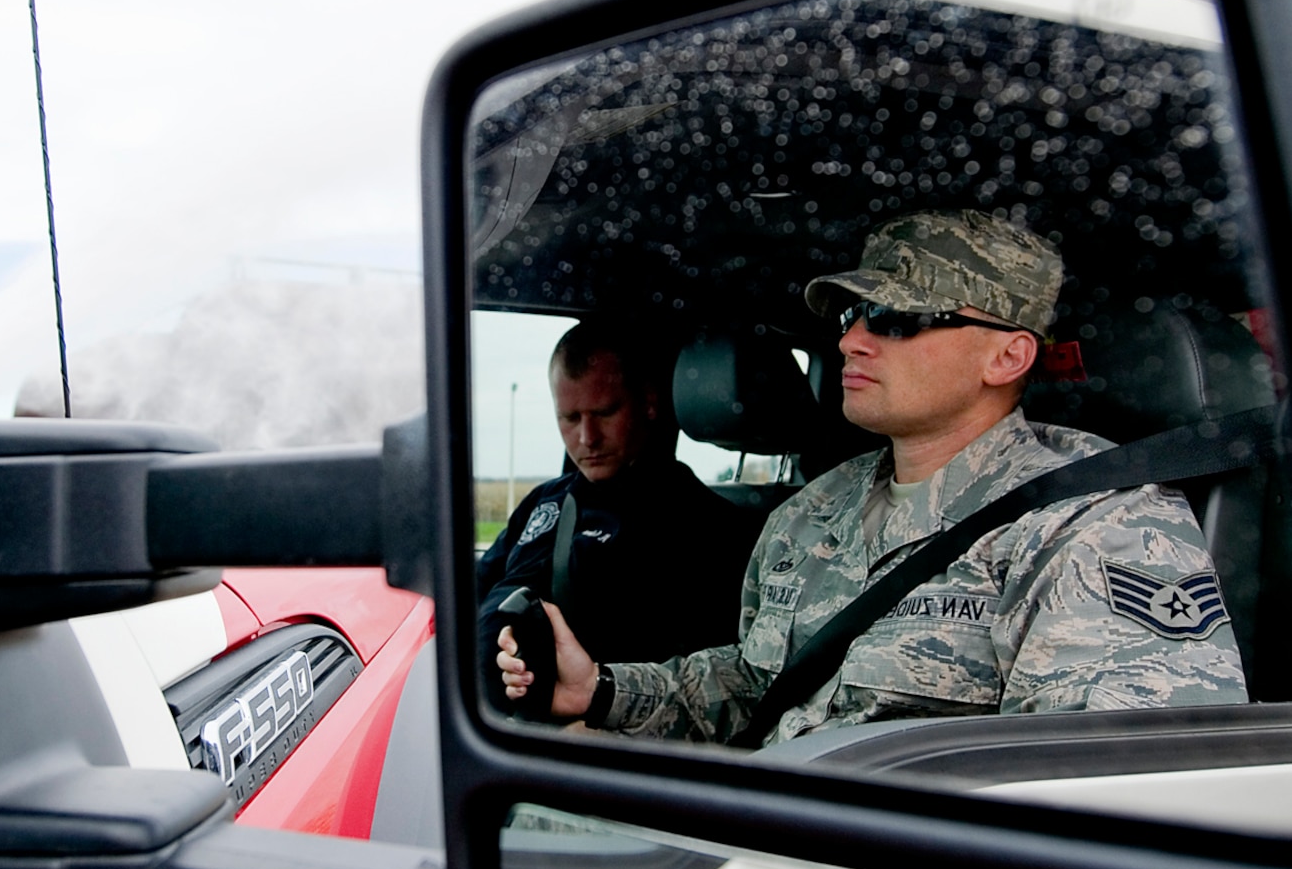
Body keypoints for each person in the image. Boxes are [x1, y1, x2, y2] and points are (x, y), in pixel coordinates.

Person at [497, 209, 1248, 745]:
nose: (852, 338)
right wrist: (599, 690)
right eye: (852, 316)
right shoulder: (813, 511)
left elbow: (1094, 790)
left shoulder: (1098, 524)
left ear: (1007, 357)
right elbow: (752, 685)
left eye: (893, 317)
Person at [476, 319, 756, 715]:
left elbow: (704, 684)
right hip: (490, 716)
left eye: (605, 413)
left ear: (649, 403)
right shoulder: (545, 501)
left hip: (595, 731)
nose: (587, 438)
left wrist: (599, 723)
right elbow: (477, 593)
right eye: (570, 419)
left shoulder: (706, 526)